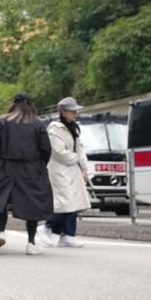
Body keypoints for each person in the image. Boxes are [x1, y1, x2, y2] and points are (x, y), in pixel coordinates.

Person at [0, 92, 54, 255]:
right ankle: (31, 243)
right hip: (30, 168)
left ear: (14, 104)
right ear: (31, 105)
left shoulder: (3, 121)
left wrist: (5, 153)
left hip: (5, 166)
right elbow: (46, 148)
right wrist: (39, 164)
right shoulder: (38, 124)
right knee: (32, 203)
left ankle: (1, 232)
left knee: (1, 199)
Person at [39, 97, 91, 247]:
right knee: (65, 202)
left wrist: (84, 168)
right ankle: (47, 227)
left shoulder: (74, 127)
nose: (75, 113)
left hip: (73, 170)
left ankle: (67, 235)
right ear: (63, 112)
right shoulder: (54, 129)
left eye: (76, 110)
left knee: (74, 203)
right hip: (59, 171)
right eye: (72, 111)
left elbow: (79, 148)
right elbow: (60, 153)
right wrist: (77, 159)